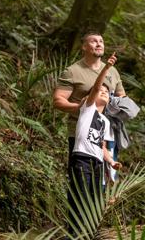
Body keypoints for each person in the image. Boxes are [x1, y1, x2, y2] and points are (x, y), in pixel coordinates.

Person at [67, 52, 121, 235]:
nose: (104, 93)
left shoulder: (105, 121)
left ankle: (89, 233)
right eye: (101, 92)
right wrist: (106, 68)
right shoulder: (87, 109)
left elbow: (103, 146)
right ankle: (73, 235)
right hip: (82, 158)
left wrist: (112, 162)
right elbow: (97, 87)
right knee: (79, 195)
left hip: (97, 161)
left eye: (107, 92)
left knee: (94, 198)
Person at [53, 32, 125, 164]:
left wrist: (122, 110)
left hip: (106, 132)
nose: (99, 44)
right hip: (80, 134)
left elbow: (122, 97)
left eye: (101, 41)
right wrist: (80, 108)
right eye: (94, 41)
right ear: (84, 47)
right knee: (81, 175)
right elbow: (58, 100)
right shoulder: (73, 71)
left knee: (105, 176)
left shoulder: (113, 71)